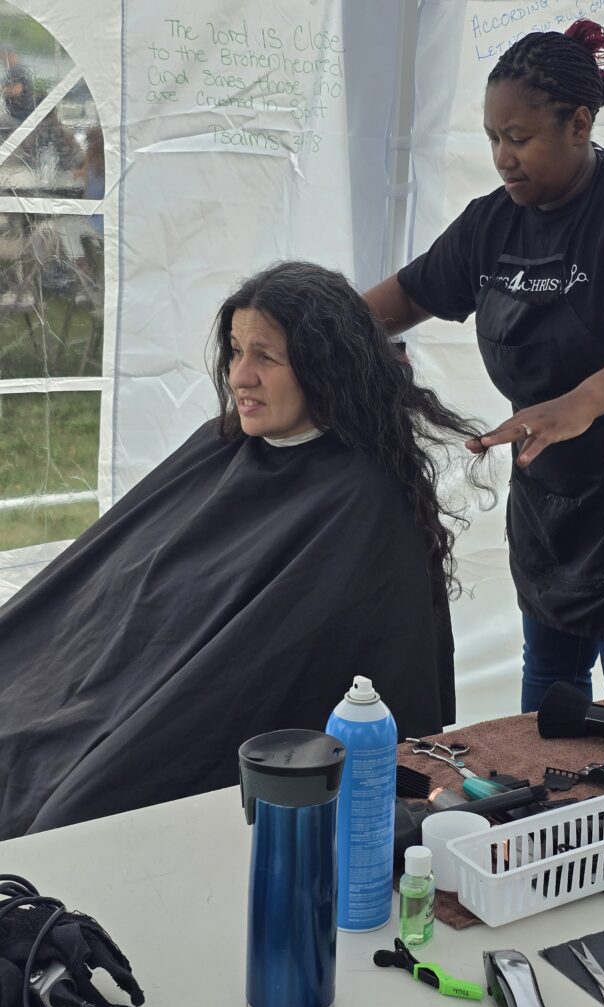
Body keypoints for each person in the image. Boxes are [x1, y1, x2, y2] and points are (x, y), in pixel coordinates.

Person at [0, 260, 487, 840]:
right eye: (234, 351)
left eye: (266, 357)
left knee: (69, 815)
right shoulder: (219, 445)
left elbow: (259, 665)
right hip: (106, 684)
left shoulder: (362, 501)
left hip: (199, 717)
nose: (239, 377)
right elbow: (107, 584)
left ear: (324, 368)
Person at [363, 20, 604, 712]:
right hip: (553, 496)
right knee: (551, 690)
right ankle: (549, 819)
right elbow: (407, 295)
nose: (504, 157)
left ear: (580, 125)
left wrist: (584, 400)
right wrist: (306, 330)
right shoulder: (490, 225)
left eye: (520, 138)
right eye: (494, 138)